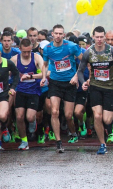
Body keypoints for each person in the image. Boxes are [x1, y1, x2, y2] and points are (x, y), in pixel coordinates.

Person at [78, 26, 113, 154]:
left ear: (104, 37)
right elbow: (80, 71)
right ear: (93, 38)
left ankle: (112, 122)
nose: (99, 39)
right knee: (97, 116)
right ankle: (102, 144)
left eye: (101, 37)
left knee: (107, 119)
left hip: (109, 88)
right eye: (97, 37)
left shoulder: (112, 51)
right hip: (95, 88)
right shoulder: (89, 52)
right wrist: (83, 83)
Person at [40, 24, 83, 153]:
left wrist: (76, 76)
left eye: (60, 33)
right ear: (52, 34)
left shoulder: (71, 47)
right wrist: (43, 77)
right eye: (56, 33)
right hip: (55, 82)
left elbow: (83, 62)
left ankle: (73, 133)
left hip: (69, 83)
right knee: (54, 112)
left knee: (69, 115)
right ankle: (59, 142)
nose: (58, 36)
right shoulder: (47, 49)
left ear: (63, 35)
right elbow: (45, 64)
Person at [11, 38, 44, 150]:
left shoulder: (36, 58)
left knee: (29, 117)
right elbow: (6, 73)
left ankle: (32, 121)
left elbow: (43, 74)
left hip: (33, 91)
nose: (26, 54)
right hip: (20, 90)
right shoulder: (15, 59)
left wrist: (30, 76)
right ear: (19, 49)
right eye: (24, 51)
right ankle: (24, 141)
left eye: (28, 51)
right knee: (19, 116)